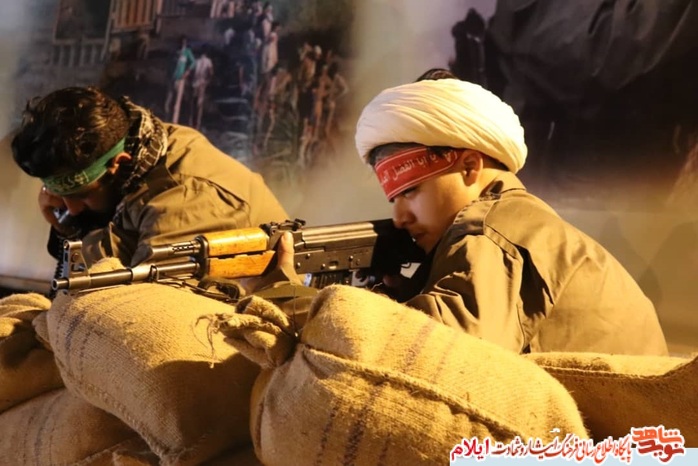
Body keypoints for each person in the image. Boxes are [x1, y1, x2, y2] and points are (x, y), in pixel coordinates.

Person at [273, 69, 669, 356]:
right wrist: (404, 294)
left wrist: (288, 299)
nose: (400, 218)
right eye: (394, 199)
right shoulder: (520, 220)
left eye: (410, 191)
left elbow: (439, 355)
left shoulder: (489, 229)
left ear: (468, 167)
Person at [11, 86, 289, 273]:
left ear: (119, 164)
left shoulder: (185, 197)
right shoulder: (141, 149)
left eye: (81, 195)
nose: (70, 209)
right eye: (57, 192)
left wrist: (77, 237)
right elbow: (119, 247)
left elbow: (142, 308)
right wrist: (67, 229)